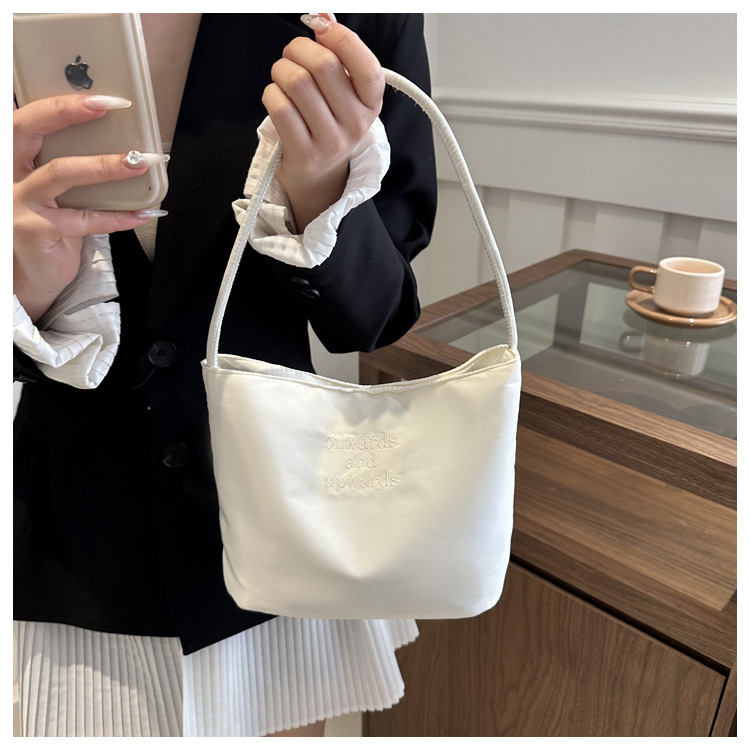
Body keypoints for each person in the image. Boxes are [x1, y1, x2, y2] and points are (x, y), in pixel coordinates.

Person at [13, 13, 436, 737]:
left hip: (274, 540)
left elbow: (374, 315)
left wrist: (321, 191)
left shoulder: (355, 19)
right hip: (63, 554)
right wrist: (21, 290)